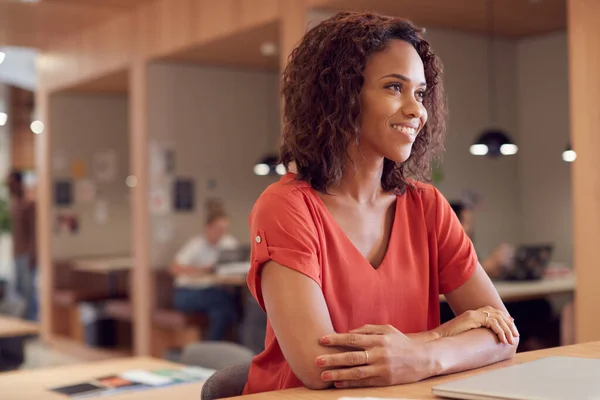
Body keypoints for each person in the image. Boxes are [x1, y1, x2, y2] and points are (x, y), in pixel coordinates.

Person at [243, 11, 519, 394]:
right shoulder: (286, 207)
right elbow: (319, 366)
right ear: (338, 96)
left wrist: (421, 357)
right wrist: (445, 333)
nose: (417, 110)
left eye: (420, 93)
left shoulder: (428, 206)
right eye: (394, 87)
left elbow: (503, 334)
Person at [448, 200, 560, 351]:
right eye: (467, 222)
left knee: (540, 304)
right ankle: (529, 345)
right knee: (533, 307)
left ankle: (534, 345)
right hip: (451, 308)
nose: (472, 227)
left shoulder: (468, 248)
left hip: (493, 300)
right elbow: (457, 276)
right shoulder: (448, 250)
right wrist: (488, 264)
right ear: (455, 222)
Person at [169, 204, 238, 341]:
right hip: (187, 293)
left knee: (223, 309)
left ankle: (215, 346)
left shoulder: (229, 244)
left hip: (214, 290)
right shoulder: (196, 244)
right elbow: (174, 268)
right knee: (224, 302)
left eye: (224, 229)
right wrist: (203, 270)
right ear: (208, 228)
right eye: (218, 229)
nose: (221, 233)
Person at [7, 170, 37, 321]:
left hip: (26, 255)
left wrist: (32, 255)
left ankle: (31, 325)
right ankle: (21, 323)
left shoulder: (29, 204)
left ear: (19, 183)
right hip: (16, 254)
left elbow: (34, 232)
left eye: (12, 183)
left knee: (28, 292)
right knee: (17, 291)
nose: (9, 186)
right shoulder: (13, 205)